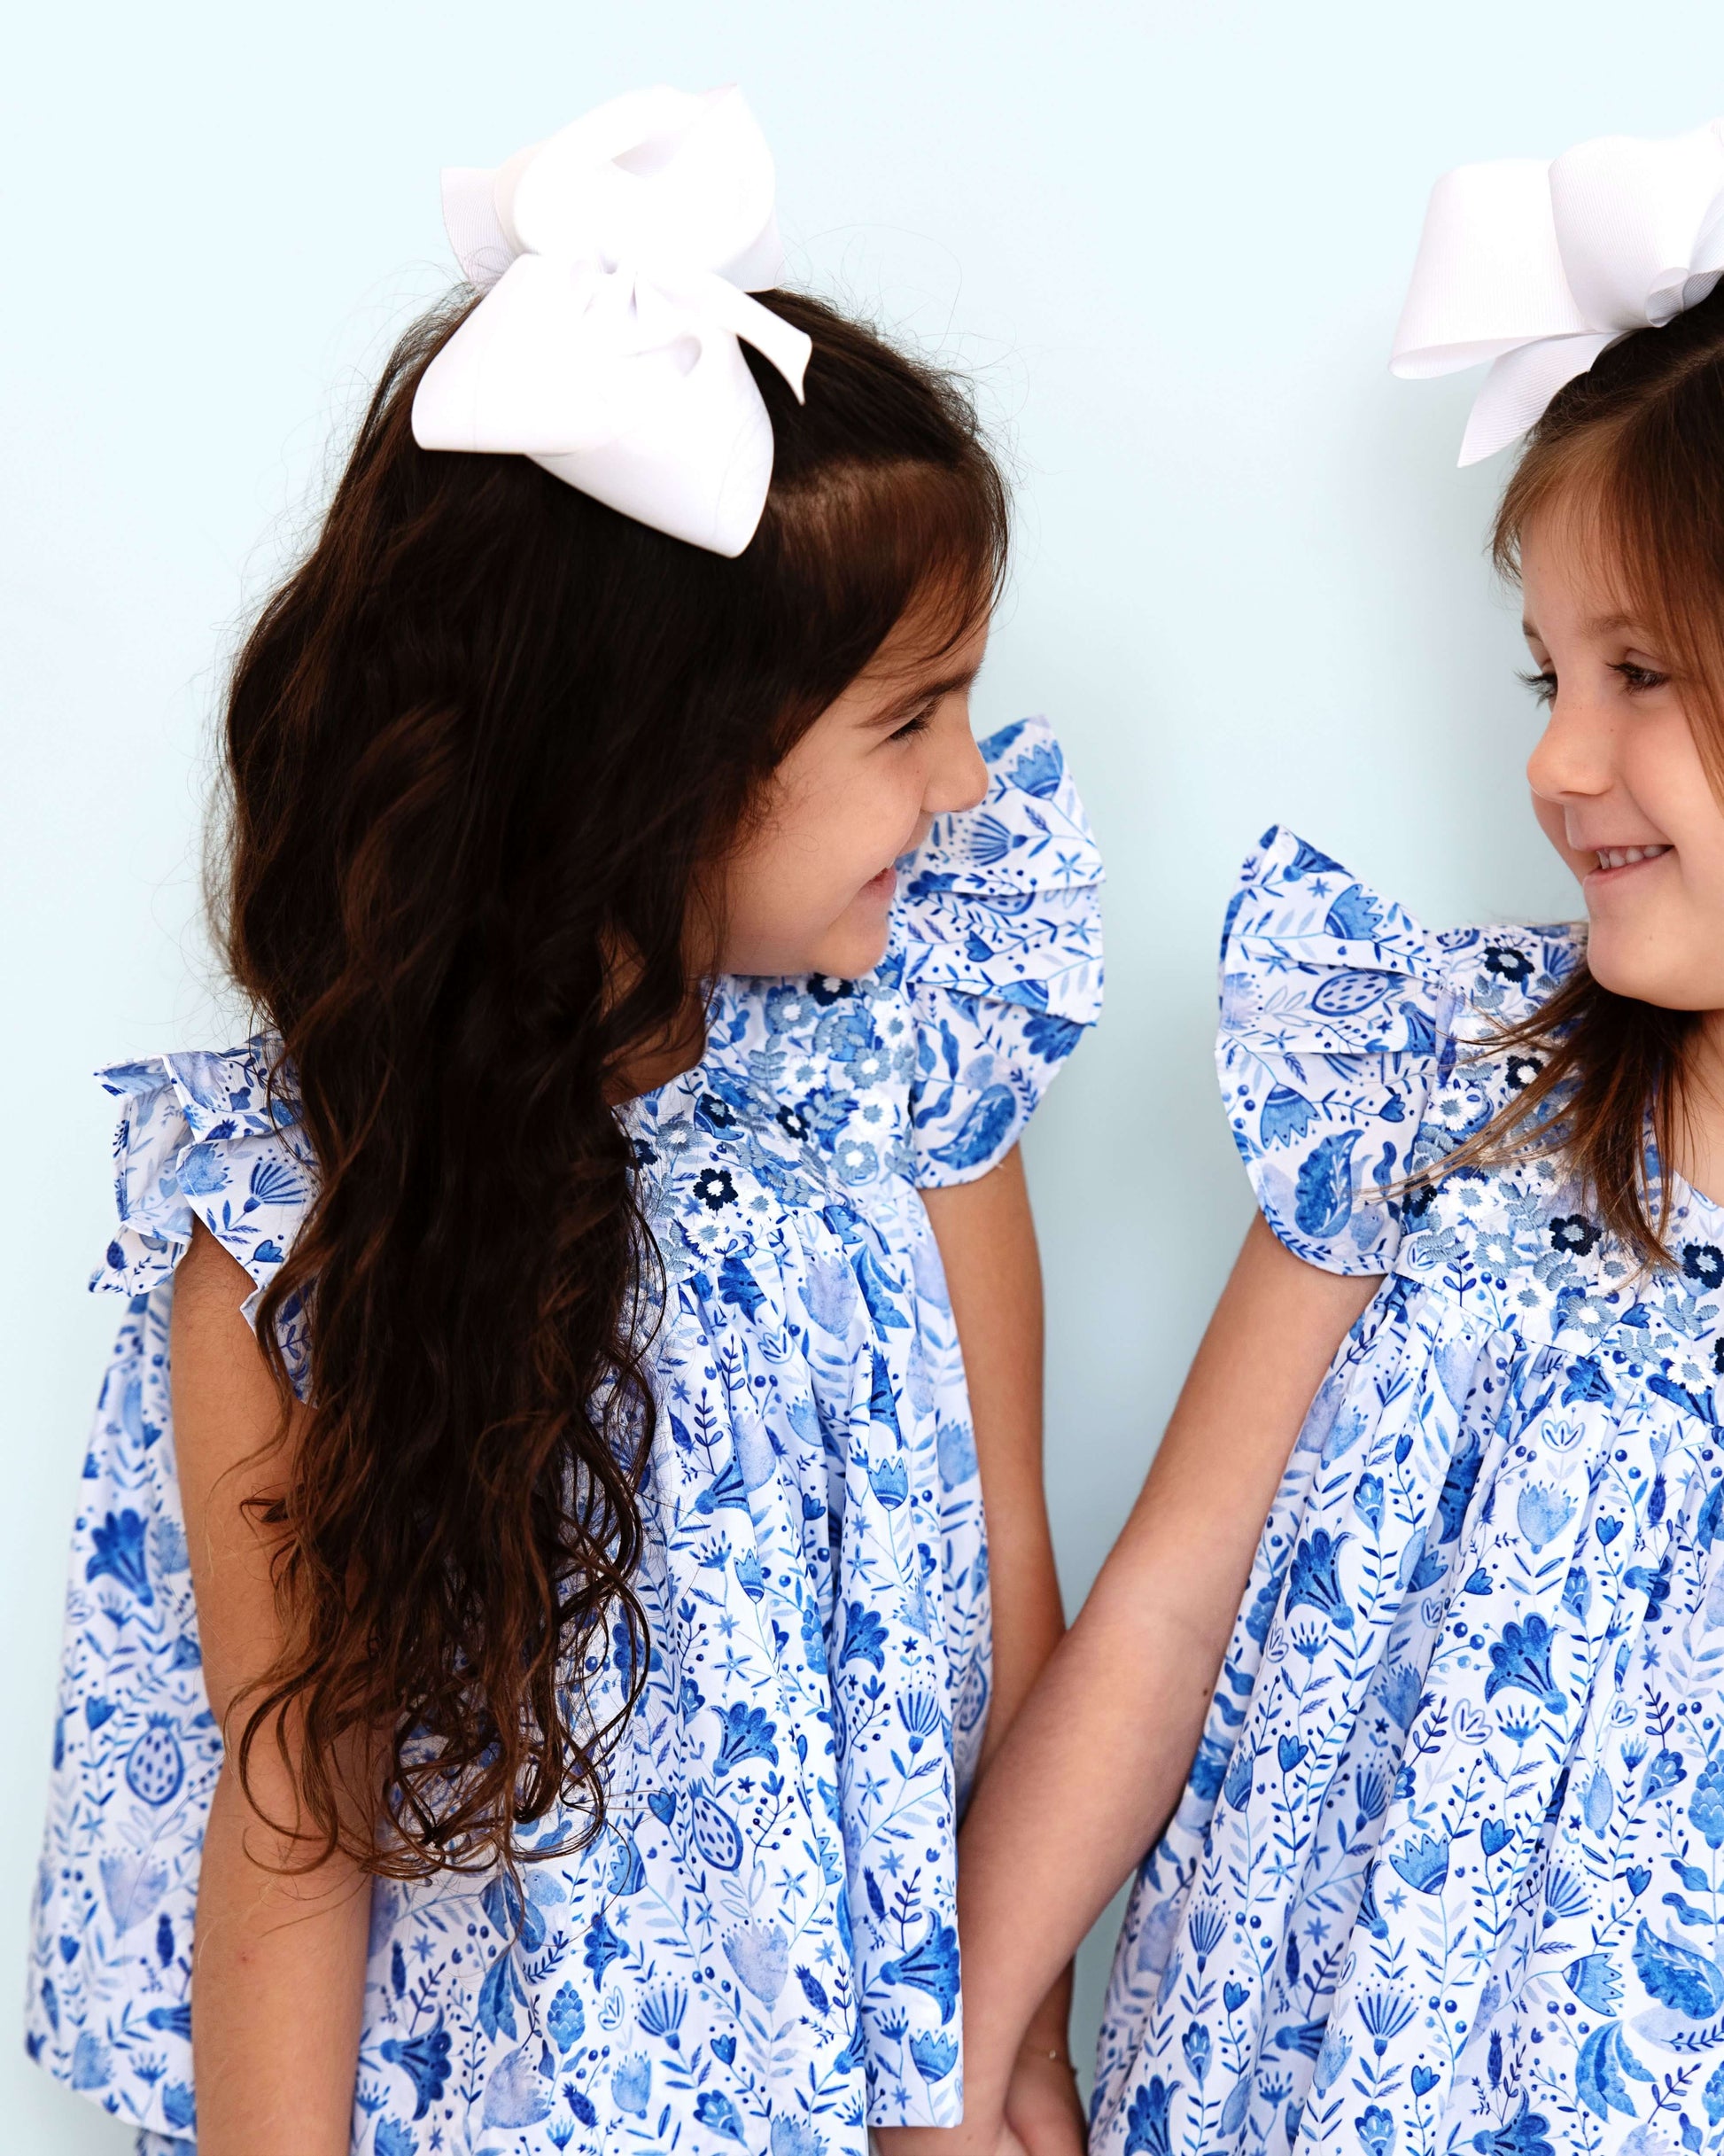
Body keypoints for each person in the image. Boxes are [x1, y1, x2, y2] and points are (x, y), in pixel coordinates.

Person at [25, 87, 1100, 2156]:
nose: (964, 785)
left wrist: (1007, 2053)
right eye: (904, 719)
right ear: (655, 765)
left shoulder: (911, 1063)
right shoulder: (293, 1229)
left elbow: (1002, 1566)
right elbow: (295, 1814)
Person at [881, 118, 1724, 2156]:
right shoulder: (1444, 1084)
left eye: (1642, 676)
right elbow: (1165, 1609)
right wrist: (959, 2057)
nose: (1553, 755)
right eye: (1547, 671)